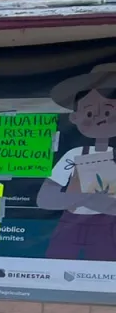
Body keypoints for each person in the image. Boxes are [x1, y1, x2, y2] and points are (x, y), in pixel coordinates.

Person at [37, 63, 116, 260]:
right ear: (74, 117)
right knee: (55, 265)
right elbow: (44, 197)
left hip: (107, 228)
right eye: (90, 113)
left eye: (108, 113)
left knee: (103, 269)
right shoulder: (76, 154)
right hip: (69, 224)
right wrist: (84, 198)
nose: (99, 119)